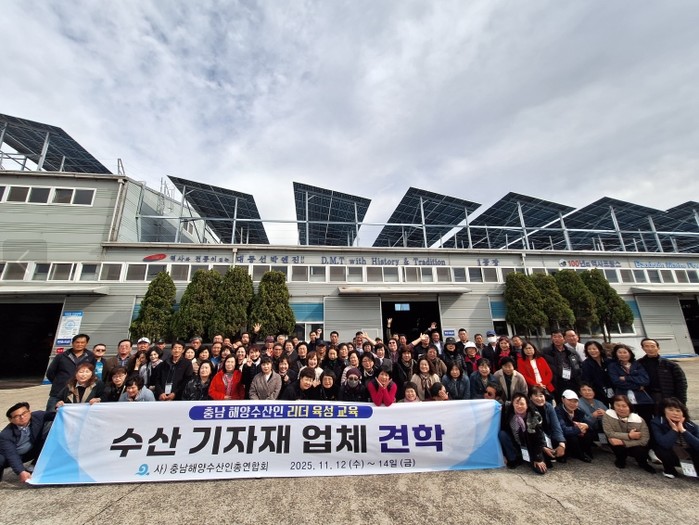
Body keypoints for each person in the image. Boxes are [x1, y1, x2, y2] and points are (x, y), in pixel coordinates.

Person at [0, 402, 55, 483]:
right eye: (17, 416)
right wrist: (21, 471)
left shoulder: (38, 416)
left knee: (50, 429)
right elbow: (11, 454)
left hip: (31, 450)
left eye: (24, 413)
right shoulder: (5, 435)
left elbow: (56, 415)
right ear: (11, 420)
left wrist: (60, 408)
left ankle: (34, 465)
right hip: (10, 456)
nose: (22, 417)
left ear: (29, 411)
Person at [602, 395, 655, 473]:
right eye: (617, 405)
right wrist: (629, 436)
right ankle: (620, 460)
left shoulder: (639, 420)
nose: (621, 408)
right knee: (613, 440)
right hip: (619, 442)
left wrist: (624, 442)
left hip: (634, 444)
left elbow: (644, 440)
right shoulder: (608, 415)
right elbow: (609, 433)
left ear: (630, 407)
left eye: (624, 406)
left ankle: (643, 463)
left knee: (641, 450)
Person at [499, 393, 549, 474]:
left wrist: (538, 457)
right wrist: (503, 455)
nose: (519, 406)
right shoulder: (508, 412)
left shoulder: (534, 416)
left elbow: (539, 437)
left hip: (530, 445)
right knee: (502, 434)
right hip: (515, 442)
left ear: (527, 405)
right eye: (516, 403)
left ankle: (527, 456)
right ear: (512, 404)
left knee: (541, 470)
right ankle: (513, 458)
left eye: (522, 404)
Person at [651, 397, 699, 478]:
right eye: (671, 410)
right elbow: (664, 444)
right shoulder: (657, 422)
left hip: (690, 455)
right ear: (663, 411)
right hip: (672, 455)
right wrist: (674, 430)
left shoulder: (691, 425)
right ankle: (669, 470)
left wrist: (683, 430)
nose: (675, 413)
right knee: (660, 448)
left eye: (678, 411)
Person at [45, 333, 95, 412]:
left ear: (86, 343)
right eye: (77, 342)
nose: (79, 344)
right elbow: (50, 373)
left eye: (82, 342)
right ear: (73, 343)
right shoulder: (61, 356)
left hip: (79, 393)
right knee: (51, 414)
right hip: (58, 391)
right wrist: (59, 381)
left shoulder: (91, 356)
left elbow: (92, 372)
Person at [607, 344, 654, 423]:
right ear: (616, 354)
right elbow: (617, 382)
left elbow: (645, 380)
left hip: (641, 398)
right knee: (627, 421)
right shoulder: (613, 366)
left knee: (645, 420)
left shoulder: (637, 364)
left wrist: (626, 378)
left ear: (630, 353)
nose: (622, 354)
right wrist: (637, 386)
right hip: (623, 397)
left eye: (625, 352)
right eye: (620, 352)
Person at [638, 338, 688, 407]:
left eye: (652, 346)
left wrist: (681, 402)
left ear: (658, 348)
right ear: (643, 348)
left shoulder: (670, 365)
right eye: (646, 346)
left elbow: (681, 384)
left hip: (666, 397)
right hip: (646, 397)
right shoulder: (639, 364)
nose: (650, 349)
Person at [543, 330, 582, 404]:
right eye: (554, 337)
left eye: (559, 337)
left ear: (564, 338)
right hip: (557, 383)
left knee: (574, 402)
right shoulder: (546, 352)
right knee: (561, 403)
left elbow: (579, 366)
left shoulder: (571, 351)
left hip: (572, 382)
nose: (556, 339)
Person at [555, 390, 594, 463]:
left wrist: (586, 426)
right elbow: (563, 429)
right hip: (561, 436)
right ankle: (577, 454)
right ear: (563, 399)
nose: (572, 404)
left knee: (588, 434)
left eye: (575, 401)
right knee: (572, 437)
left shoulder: (579, 411)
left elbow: (590, 424)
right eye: (570, 400)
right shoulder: (557, 411)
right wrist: (579, 429)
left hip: (575, 432)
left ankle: (585, 451)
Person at [529, 386, 566, 462]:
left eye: (541, 396)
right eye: (536, 396)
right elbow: (532, 432)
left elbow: (556, 426)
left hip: (549, 435)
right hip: (536, 438)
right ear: (530, 397)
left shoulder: (548, 406)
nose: (539, 399)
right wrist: (542, 446)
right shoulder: (529, 409)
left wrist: (561, 444)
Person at [580, 341, 613, 406]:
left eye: (594, 349)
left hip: (612, 389)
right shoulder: (586, 364)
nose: (592, 351)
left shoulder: (608, 361)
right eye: (589, 349)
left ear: (599, 349)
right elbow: (587, 380)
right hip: (597, 392)